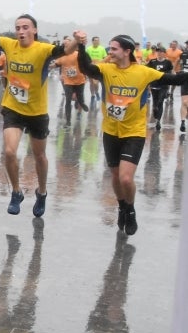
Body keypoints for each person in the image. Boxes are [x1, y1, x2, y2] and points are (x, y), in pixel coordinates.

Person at [0, 0, 77, 217]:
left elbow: (65, 50)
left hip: (36, 112)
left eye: (25, 27)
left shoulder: (43, 49)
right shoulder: (8, 45)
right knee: (8, 151)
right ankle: (16, 192)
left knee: (40, 156)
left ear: (34, 30)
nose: (21, 31)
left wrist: (77, 42)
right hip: (13, 108)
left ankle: (42, 191)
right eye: (18, 28)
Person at [77, 34, 188, 234]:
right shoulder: (105, 69)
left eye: (114, 49)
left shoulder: (143, 72)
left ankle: (131, 209)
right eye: (109, 48)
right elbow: (86, 68)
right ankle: (122, 206)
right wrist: (81, 46)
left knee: (126, 178)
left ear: (127, 51)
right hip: (111, 131)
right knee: (115, 175)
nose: (110, 52)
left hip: (134, 132)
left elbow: (175, 79)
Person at [55, 31, 90, 128]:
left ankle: (82, 103)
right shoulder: (62, 56)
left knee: (79, 97)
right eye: (64, 44)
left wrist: (87, 74)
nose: (65, 46)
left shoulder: (79, 54)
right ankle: (68, 121)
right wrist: (50, 67)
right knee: (68, 99)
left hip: (79, 80)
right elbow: (56, 64)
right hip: (67, 81)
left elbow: (88, 64)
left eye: (67, 44)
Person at [146, 44, 173, 130]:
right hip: (154, 85)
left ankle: (158, 121)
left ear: (164, 53)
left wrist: (169, 82)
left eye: (161, 52)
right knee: (155, 103)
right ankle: (155, 112)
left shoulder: (168, 63)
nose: (159, 53)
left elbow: (170, 73)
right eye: (158, 51)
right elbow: (147, 71)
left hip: (163, 85)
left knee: (160, 102)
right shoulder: (152, 61)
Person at [84, 35, 107, 103]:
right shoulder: (88, 49)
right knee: (91, 83)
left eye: (98, 41)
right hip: (90, 68)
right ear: (93, 41)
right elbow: (85, 58)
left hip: (98, 68)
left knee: (96, 83)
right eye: (96, 40)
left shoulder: (102, 49)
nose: (97, 42)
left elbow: (105, 58)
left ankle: (96, 92)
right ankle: (92, 95)